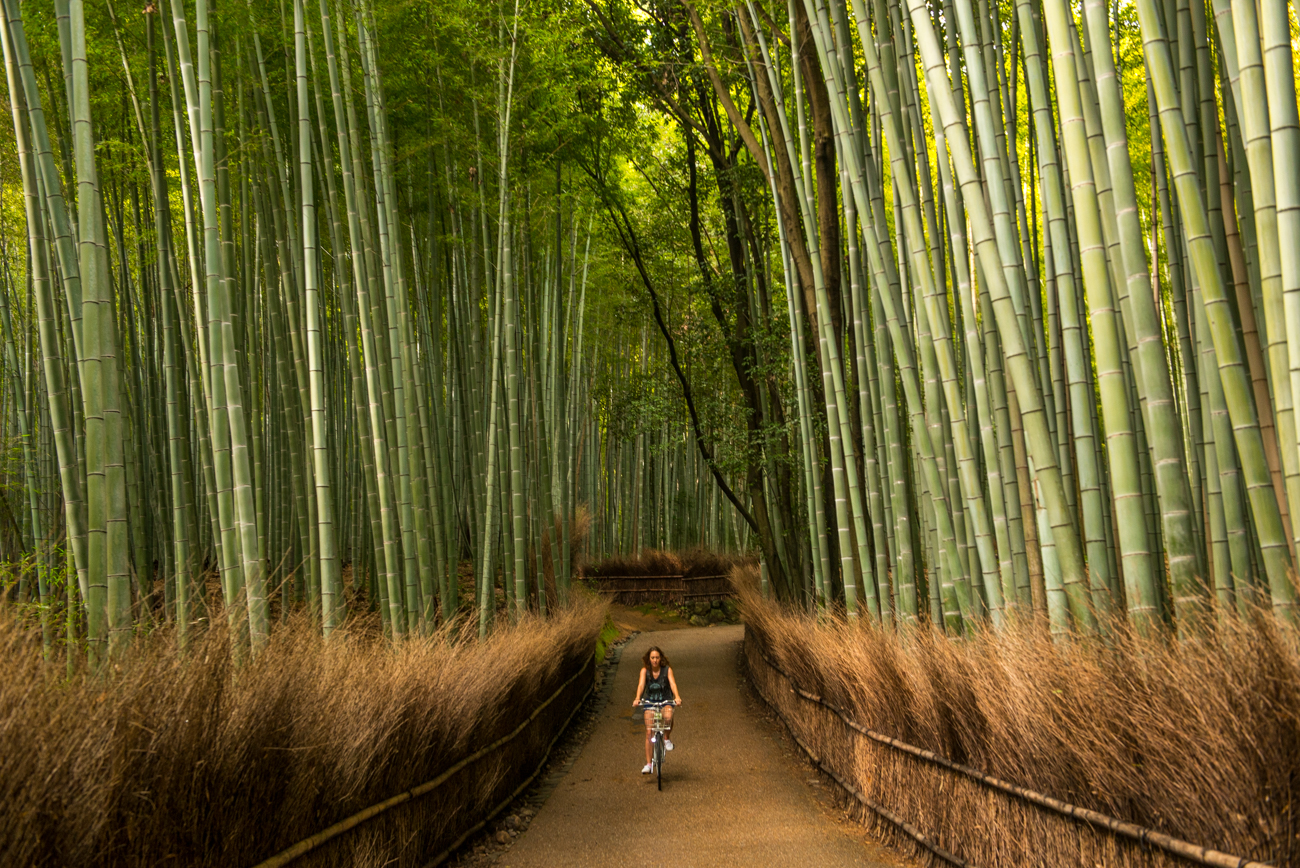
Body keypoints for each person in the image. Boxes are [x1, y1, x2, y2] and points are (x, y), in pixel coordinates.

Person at [631, 646, 681, 774]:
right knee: (649, 732)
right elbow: (641, 685)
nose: (655, 660)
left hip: (665, 700)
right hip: (650, 702)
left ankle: (666, 738)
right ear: (649, 659)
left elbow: (673, 684)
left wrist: (677, 697)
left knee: (668, 717)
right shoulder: (645, 671)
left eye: (657, 657)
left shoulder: (667, 670)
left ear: (661, 658)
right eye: (652, 658)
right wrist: (637, 698)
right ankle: (649, 764)